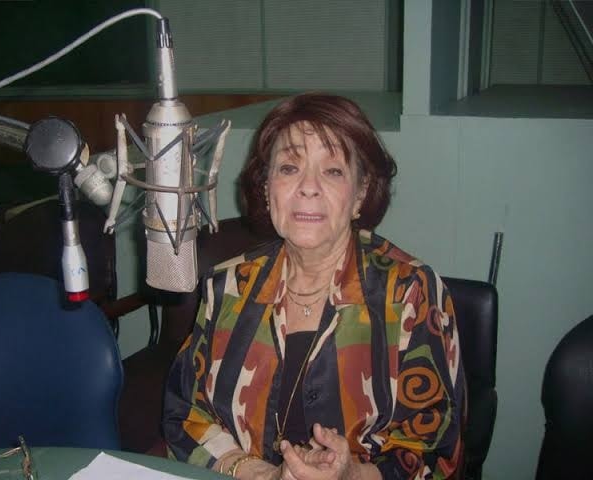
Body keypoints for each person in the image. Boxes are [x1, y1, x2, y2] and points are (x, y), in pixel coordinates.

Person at [163, 93, 465, 479]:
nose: (308, 187)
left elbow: (438, 450)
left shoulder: (410, 293)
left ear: (360, 193)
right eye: (289, 168)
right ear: (267, 188)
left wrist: (353, 475)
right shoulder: (226, 287)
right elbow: (186, 415)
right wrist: (258, 473)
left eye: (333, 171)